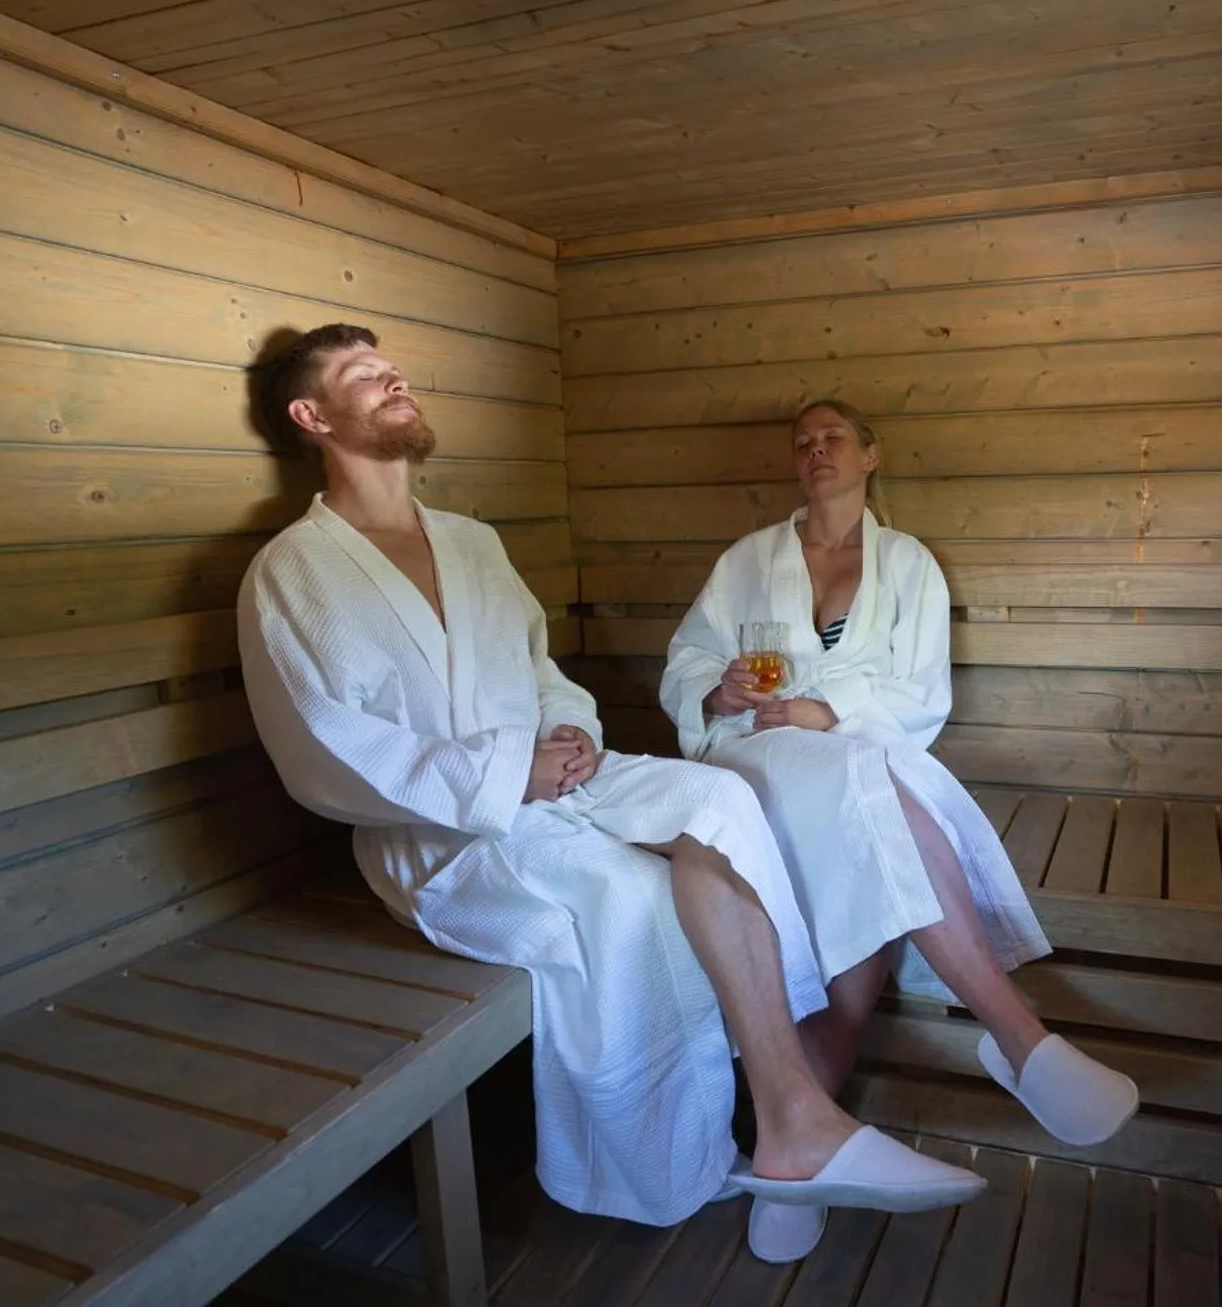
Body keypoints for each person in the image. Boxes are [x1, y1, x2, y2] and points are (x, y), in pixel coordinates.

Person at [235, 325, 984, 1242]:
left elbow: (541, 668)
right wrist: (511, 771)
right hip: (443, 830)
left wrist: (567, 733)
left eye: (392, 367)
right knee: (633, 895)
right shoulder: (293, 571)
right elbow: (322, 747)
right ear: (312, 416)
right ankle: (747, 1133)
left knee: (720, 801)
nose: (393, 378)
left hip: (559, 775)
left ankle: (789, 1114)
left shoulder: (471, 542)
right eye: (363, 375)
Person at [661, 398, 1140, 1260]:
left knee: (862, 896)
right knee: (868, 794)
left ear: (872, 453)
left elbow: (919, 692)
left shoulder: (909, 563)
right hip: (754, 765)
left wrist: (827, 706)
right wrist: (718, 691)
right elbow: (691, 657)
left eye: (833, 436)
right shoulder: (747, 560)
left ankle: (787, 1154)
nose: (817, 451)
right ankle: (1017, 1036)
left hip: (857, 759)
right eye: (802, 442)